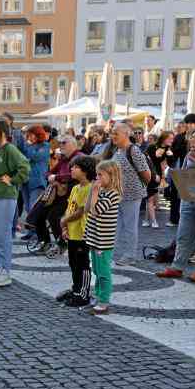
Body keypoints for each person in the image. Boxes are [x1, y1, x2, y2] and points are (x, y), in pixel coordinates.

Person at [157, 125, 195, 282]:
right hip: (189, 198)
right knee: (183, 235)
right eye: (192, 136)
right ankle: (177, 266)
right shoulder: (189, 154)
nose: (194, 139)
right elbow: (183, 172)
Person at [0, 122, 31, 287]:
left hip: (6, 196)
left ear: (4, 132)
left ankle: (5, 271)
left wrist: (13, 180)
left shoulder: (10, 149)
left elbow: (24, 167)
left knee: (2, 235)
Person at [100, 123, 152, 262]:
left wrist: (135, 187)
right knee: (113, 225)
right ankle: (108, 253)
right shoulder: (117, 150)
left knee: (129, 226)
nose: (113, 136)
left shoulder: (133, 150)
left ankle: (130, 256)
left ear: (126, 134)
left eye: (116, 133)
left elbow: (147, 175)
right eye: (112, 133)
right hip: (117, 195)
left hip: (132, 195)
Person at [84, 160, 122, 315]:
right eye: (97, 174)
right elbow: (88, 209)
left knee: (103, 272)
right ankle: (99, 296)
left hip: (103, 241)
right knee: (97, 270)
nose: (97, 178)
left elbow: (96, 210)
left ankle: (104, 301)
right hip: (94, 238)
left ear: (111, 176)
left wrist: (94, 193)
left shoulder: (113, 194)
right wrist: (91, 192)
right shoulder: (102, 191)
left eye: (100, 175)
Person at [59, 156, 97, 308]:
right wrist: (64, 226)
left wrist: (64, 221)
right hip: (73, 232)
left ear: (85, 170)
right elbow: (70, 208)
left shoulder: (89, 188)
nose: (71, 169)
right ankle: (76, 289)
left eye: (75, 167)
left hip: (83, 233)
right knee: (73, 263)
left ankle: (84, 293)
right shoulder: (75, 188)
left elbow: (81, 211)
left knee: (82, 264)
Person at [29, 133, 77, 253]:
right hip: (57, 193)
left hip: (71, 194)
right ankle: (44, 242)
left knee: (53, 216)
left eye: (64, 143)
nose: (61, 145)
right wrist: (52, 176)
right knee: (38, 214)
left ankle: (62, 244)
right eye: (60, 143)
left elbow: (74, 175)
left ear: (73, 144)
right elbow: (48, 172)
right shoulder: (63, 160)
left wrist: (57, 177)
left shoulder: (79, 157)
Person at [168, 113, 195, 225]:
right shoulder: (179, 137)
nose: (189, 125)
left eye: (191, 123)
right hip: (181, 169)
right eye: (187, 123)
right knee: (177, 196)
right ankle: (175, 219)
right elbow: (173, 153)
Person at [19, 126, 51, 224]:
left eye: (31, 135)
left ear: (38, 135)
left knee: (34, 207)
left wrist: (28, 147)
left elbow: (35, 156)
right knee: (28, 207)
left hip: (37, 181)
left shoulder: (45, 146)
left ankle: (36, 233)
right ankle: (30, 231)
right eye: (28, 135)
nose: (29, 137)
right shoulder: (28, 145)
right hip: (25, 181)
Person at [144, 131, 174, 228]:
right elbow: (145, 160)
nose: (171, 140)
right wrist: (153, 174)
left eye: (172, 139)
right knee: (150, 198)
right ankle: (153, 221)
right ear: (163, 138)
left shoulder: (167, 149)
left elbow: (169, 164)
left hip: (158, 175)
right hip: (149, 174)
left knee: (151, 197)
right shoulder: (152, 147)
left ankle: (146, 220)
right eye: (170, 138)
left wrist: (170, 156)